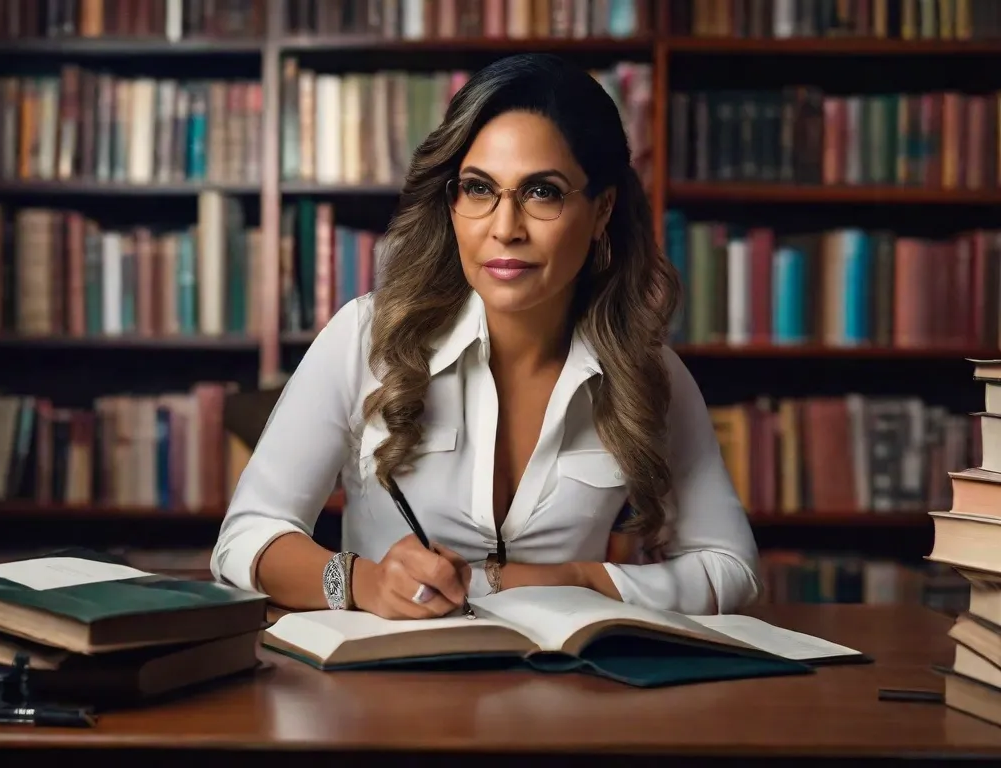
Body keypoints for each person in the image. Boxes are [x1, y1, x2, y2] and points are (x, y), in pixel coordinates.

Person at [210, 53, 760, 620]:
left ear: (601, 211)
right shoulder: (365, 337)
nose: (505, 228)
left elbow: (731, 567)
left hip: (572, 692)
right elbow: (247, 536)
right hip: (382, 691)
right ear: (451, 203)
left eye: (542, 192)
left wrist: (576, 579)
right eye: (478, 189)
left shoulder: (649, 372)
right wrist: (360, 582)